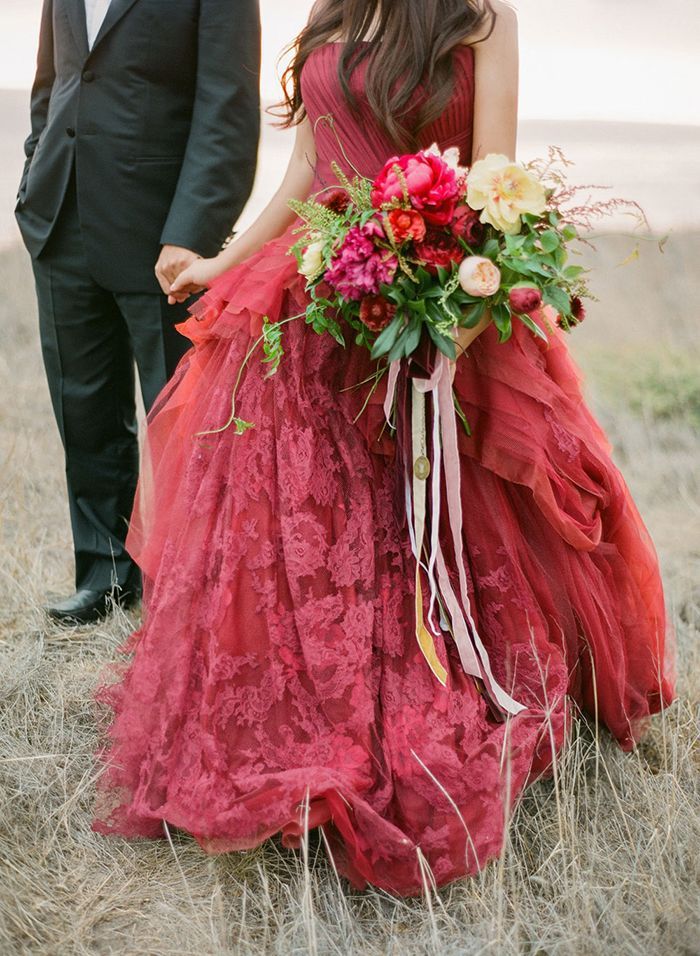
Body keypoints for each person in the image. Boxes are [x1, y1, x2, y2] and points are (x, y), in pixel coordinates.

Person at [91, 0, 676, 896]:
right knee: (306, 523)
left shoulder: (480, 20)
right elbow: (304, 170)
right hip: (319, 290)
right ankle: (311, 703)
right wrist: (220, 259)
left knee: (444, 511)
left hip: (430, 296)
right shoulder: (332, 17)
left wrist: (445, 298)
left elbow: (493, 177)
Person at [15, 0, 261, 625]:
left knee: (182, 418)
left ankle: (191, 586)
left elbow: (226, 106)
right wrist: (32, 178)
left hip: (162, 240)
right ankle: (104, 576)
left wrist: (193, 231)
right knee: (84, 406)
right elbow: (54, 82)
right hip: (61, 219)